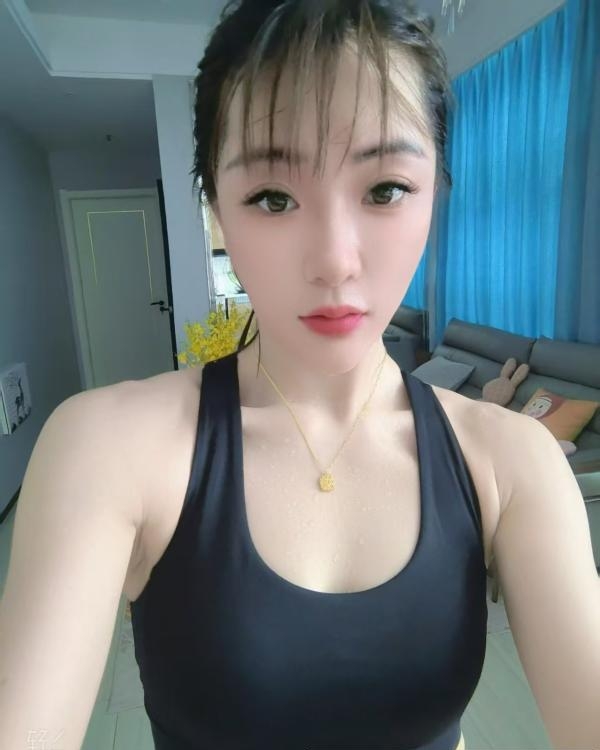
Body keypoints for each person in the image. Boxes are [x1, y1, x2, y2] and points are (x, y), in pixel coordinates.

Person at [3, 1, 598, 749]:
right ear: (217, 211)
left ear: (436, 192)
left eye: (385, 189)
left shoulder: (512, 462)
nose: (336, 261)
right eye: (273, 198)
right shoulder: (108, 448)